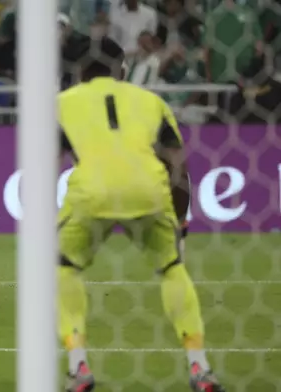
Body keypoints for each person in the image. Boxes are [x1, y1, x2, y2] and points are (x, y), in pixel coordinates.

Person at [56, 37, 224, 392]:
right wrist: (181, 224)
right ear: (122, 68)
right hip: (149, 189)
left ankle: (78, 364)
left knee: (65, 268)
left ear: (80, 71)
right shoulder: (151, 101)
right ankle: (200, 367)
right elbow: (178, 166)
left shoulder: (62, 104)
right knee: (172, 268)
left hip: (91, 192)